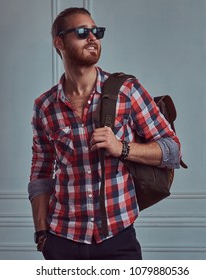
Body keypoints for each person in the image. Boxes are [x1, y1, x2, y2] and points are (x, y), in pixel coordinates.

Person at [28, 7, 181, 260]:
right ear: (59, 42)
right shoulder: (45, 106)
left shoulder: (127, 91)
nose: (92, 38)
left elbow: (172, 151)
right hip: (62, 240)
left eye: (96, 32)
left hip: (118, 238)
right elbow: (41, 172)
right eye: (81, 32)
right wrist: (42, 233)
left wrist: (122, 147)